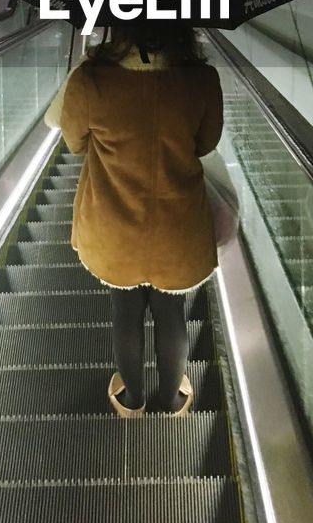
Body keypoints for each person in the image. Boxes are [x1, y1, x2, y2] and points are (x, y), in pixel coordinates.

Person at [45, 24, 223, 416]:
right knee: (171, 311)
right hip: (178, 226)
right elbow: (207, 142)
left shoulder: (92, 79)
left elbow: (73, 142)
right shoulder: (202, 79)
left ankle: (132, 400)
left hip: (115, 225)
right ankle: (172, 399)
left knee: (124, 310)